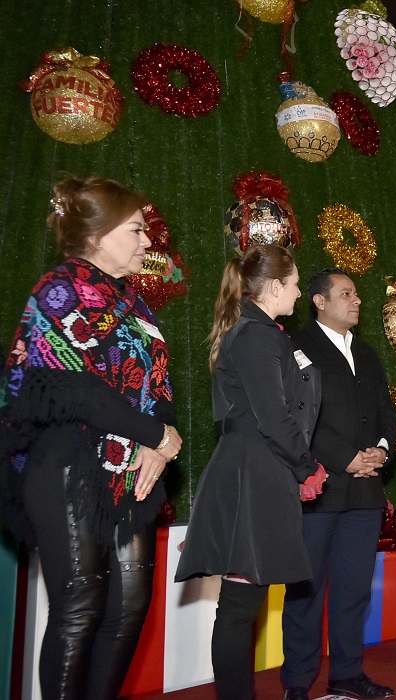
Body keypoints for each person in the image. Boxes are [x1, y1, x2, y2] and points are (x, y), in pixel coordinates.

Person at [0, 176, 182, 698]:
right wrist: (157, 434)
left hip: (130, 474)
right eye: (136, 230)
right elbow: (70, 389)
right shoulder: (59, 288)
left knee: (128, 610)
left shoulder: (134, 302)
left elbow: (156, 383)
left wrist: (160, 437)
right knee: (79, 609)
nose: (148, 242)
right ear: (99, 234)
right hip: (68, 466)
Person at [174, 245, 323, 699]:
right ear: (276, 286)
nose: (298, 293)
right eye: (296, 284)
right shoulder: (256, 334)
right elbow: (272, 417)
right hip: (253, 470)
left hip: (255, 466)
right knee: (239, 606)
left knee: (243, 602)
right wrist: (307, 466)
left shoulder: (259, 331)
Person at [280, 267, 396, 700]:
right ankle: (296, 682)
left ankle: (347, 673)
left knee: (353, 591)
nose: (357, 300)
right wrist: (343, 458)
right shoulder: (298, 347)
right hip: (320, 489)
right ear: (319, 301)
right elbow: (298, 416)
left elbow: (387, 410)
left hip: (366, 491)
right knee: (305, 593)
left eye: (357, 294)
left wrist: (381, 451)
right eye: (346, 293)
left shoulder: (366, 354)